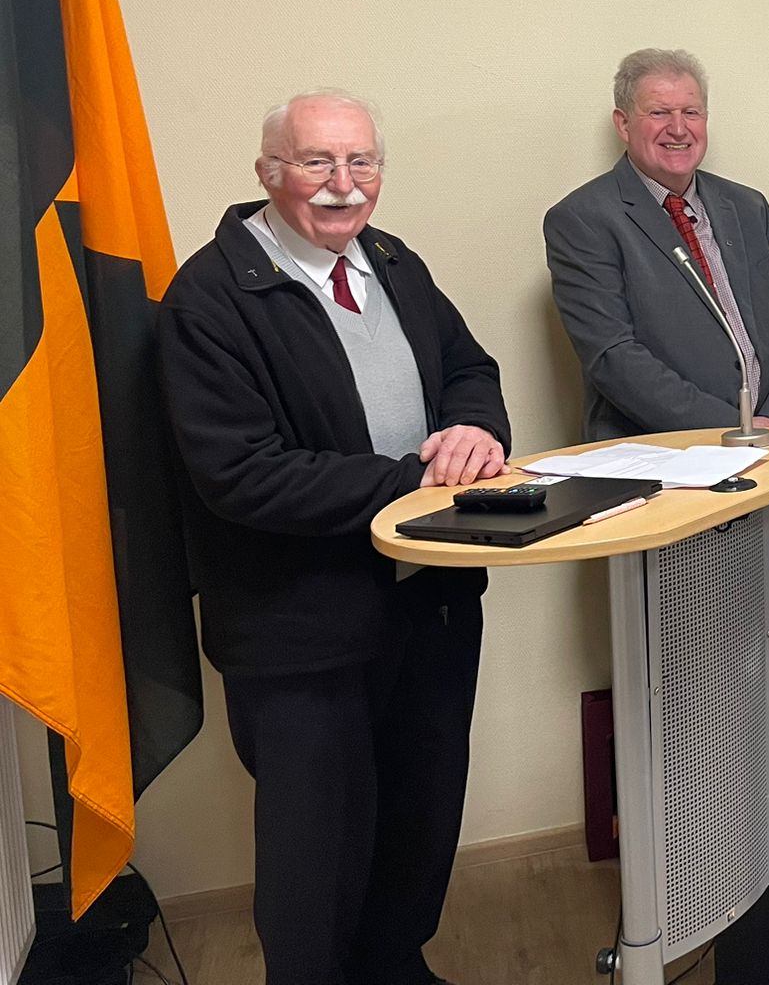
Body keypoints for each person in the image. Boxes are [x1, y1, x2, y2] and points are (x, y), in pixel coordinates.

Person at [158, 91, 509, 985]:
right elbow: (240, 473)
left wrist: (473, 430)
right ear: (268, 172)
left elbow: (469, 368)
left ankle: (397, 968)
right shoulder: (210, 297)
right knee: (316, 863)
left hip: (427, 604)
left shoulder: (392, 261)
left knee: (419, 822)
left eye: (361, 163)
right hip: (300, 632)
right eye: (317, 162)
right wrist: (412, 484)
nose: (342, 185)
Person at [544, 48, 769, 439]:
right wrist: (731, 427)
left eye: (691, 112)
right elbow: (612, 356)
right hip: (661, 453)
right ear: (623, 124)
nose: (678, 129)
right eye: (659, 113)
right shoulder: (582, 219)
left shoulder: (747, 206)